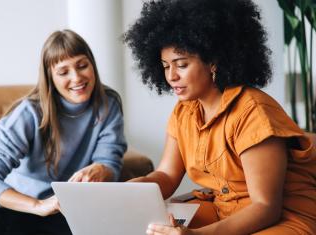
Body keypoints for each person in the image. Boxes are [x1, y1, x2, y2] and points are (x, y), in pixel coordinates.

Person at [124, 0, 316, 234]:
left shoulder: (252, 111)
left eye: (181, 64)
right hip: (224, 211)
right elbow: (166, 175)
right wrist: (128, 192)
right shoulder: (183, 111)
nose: (172, 76)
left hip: (283, 218)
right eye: (165, 66)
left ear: (213, 61)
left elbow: (266, 207)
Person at [0, 29, 127, 235]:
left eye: (82, 66)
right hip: (21, 206)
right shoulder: (28, 113)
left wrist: (102, 169)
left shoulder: (108, 103)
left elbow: (110, 162)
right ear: (50, 77)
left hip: (66, 208)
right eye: (63, 72)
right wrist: (38, 205)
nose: (77, 77)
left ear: (92, 65)